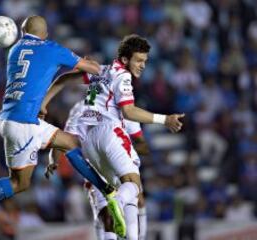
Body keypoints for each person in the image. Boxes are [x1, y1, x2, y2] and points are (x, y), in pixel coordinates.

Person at [0, 15, 120, 228]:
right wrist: (91, 64)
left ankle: (107, 191)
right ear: (45, 33)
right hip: (24, 123)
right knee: (19, 183)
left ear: (22, 32)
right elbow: (93, 69)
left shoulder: (15, 49)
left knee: (71, 143)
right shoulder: (52, 48)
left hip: (12, 118)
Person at [41, 34, 184, 238]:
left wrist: (44, 102)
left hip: (89, 143)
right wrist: (165, 120)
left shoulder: (99, 71)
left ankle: (124, 223)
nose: (143, 65)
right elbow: (129, 112)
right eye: (139, 60)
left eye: (145, 61)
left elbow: (64, 78)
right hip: (109, 131)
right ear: (125, 60)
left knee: (115, 202)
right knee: (134, 186)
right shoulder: (122, 75)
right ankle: (117, 203)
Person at [48, 100, 150, 240]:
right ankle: (135, 230)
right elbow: (143, 146)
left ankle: (129, 229)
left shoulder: (80, 108)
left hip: (92, 159)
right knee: (133, 191)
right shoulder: (125, 108)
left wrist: (53, 160)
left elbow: (64, 139)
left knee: (107, 216)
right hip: (113, 151)